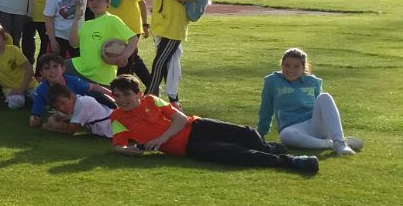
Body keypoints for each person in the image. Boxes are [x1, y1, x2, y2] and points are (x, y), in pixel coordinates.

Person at [107, 76, 318, 174]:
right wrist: (128, 150)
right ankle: (290, 162)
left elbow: (180, 119)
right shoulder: (117, 117)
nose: (122, 100)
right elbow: (119, 145)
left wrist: (161, 139)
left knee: (247, 134)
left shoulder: (152, 100)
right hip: (187, 147)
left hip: (196, 126)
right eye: (117, 96)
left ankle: (269, 148)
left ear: (139, 94)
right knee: (236, 153)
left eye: (126, 95)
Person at [257, 48, 362, 156]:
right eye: (287, 65)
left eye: (296, 66)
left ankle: (340, 142)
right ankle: (331, 144)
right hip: (293, 129)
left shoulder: (313, 81)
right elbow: (266, 108)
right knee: (285, 136)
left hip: (314, 124)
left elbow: (321, 107)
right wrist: (261, 133)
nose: (291, 70)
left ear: (303, 68)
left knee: (324, 96)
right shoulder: (272, 81)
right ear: (281, 65)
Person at [68, 0, 138, 86]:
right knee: (55, 69)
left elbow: (133, 38)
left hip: (100, 78)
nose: (95, 3)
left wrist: (124, 56)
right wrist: (76, 19)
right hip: (80, 70)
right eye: (91, 0)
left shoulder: (112, 20)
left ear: (108, 1)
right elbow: (74, 44)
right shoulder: (87, 24)